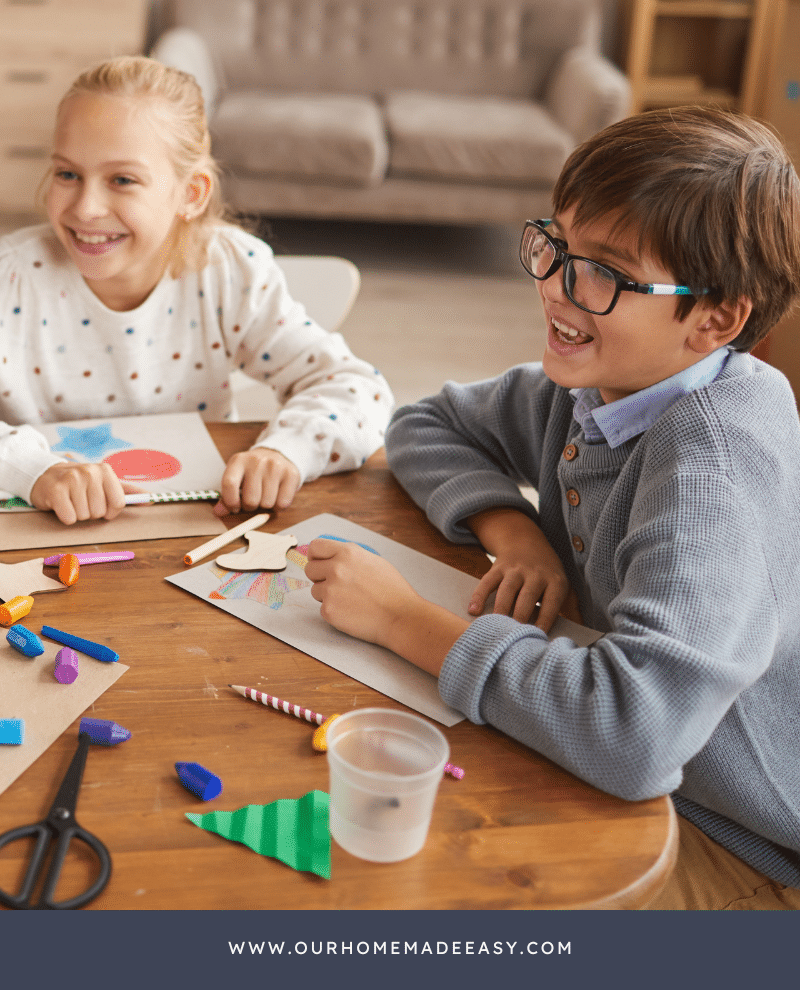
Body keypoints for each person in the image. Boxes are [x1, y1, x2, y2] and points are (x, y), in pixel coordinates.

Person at [305, 107, 800, 910]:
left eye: (605, 271)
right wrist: (517, 534)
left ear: (715, 319)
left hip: (741, 844)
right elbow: (424, 423)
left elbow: (634, 733)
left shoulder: (713, 467)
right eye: (556, 244)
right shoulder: (605, 386)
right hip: (639, 778)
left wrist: (403, 621)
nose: (556, 285)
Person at [0, 55, 392, 523]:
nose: (85, 208)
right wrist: (31, 470)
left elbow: (356, 389)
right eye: (68, 174)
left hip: (197, 528)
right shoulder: (11, 280)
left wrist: (286, 451)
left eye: (122, 180)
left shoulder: (230, 270)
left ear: (191, 194)